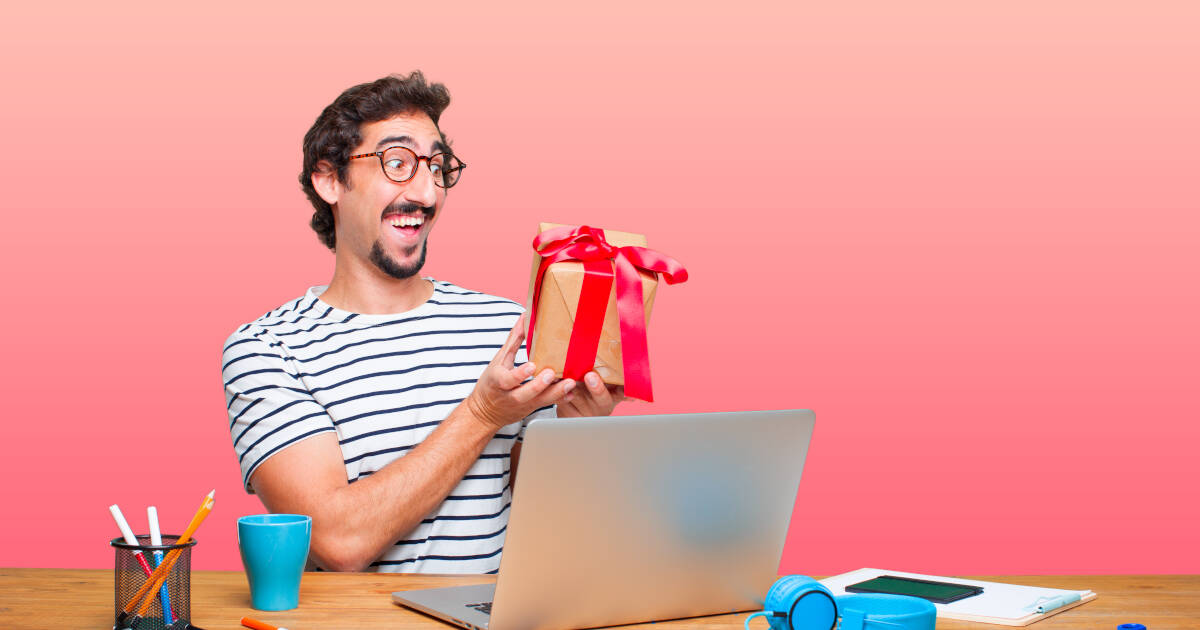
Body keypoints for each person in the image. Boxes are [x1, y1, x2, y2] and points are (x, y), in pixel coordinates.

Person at [222, 72, 622, 573]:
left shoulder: (507, 327)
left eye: (437, 167)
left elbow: (540, 521)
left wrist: (578, 430)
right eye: (398, 163)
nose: (428, 193)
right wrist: (481, 414)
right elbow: (337, 541)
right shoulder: (268, 348)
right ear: (329, 179)